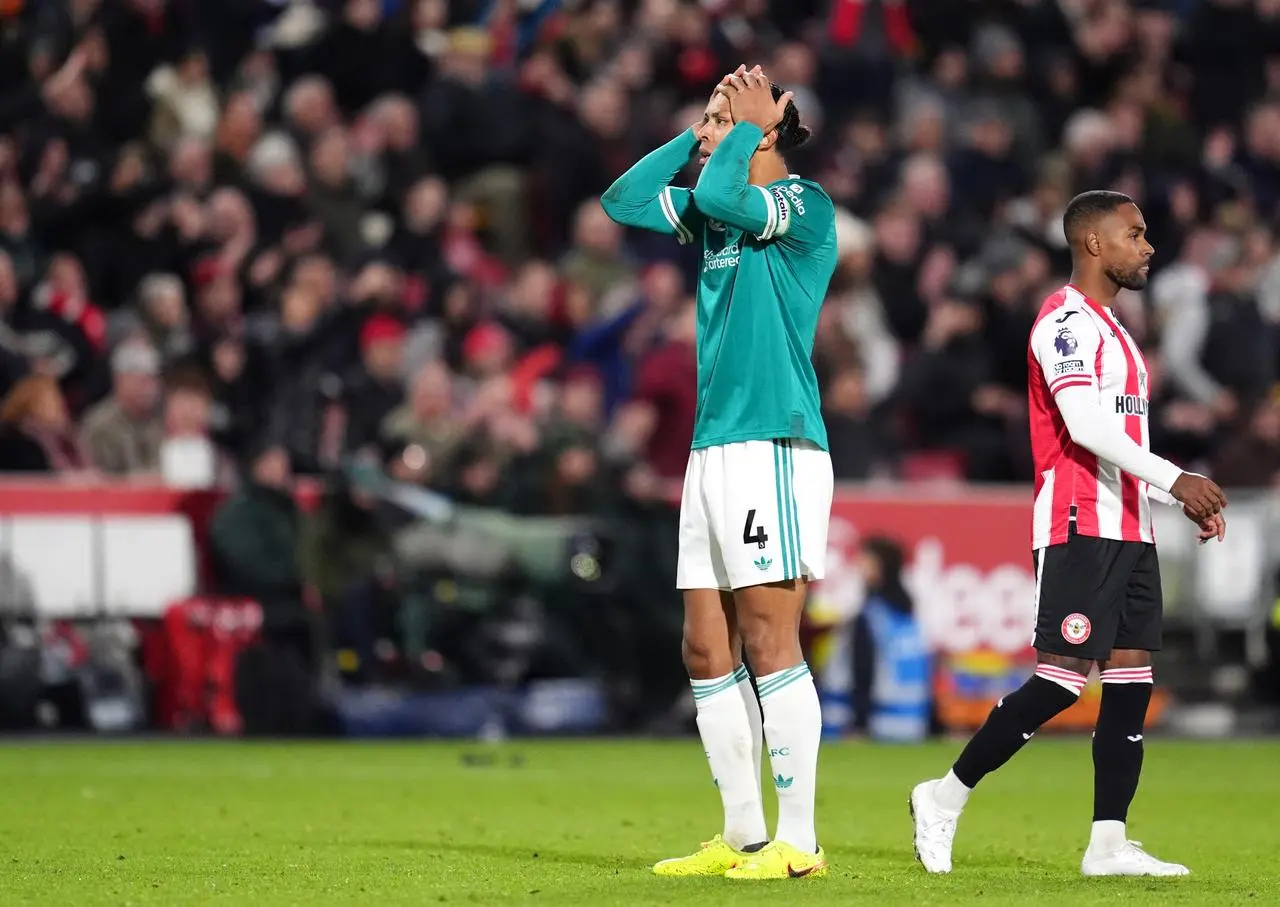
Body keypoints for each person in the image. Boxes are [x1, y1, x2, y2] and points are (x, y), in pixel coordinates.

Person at [909, 190, 1228, 878]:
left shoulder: (1117, 331)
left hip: (1131, 525)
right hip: (1078, 521)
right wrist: (1179, 479)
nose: (1147, 246)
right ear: (1093, 243)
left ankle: (1108, 842)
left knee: (1132, 678)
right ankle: (942, 796)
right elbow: (1083, 427)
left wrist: (1170, 499)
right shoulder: (1064, 324)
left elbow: (1121, 434)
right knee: (1058, 680)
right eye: (1134, 234)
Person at [601, 64, 836, 881]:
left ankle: (798, 842)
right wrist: (702, 134)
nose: (709, 130)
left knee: (772, 638)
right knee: (705, 648)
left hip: (773, 440)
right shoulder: (712, 212)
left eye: (723, 117)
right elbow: (623, 201)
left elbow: (733, 198)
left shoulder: (804, 206)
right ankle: (740, 834)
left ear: (767, 129)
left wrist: (739, 130)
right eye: (705, 118)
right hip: (712, 448)